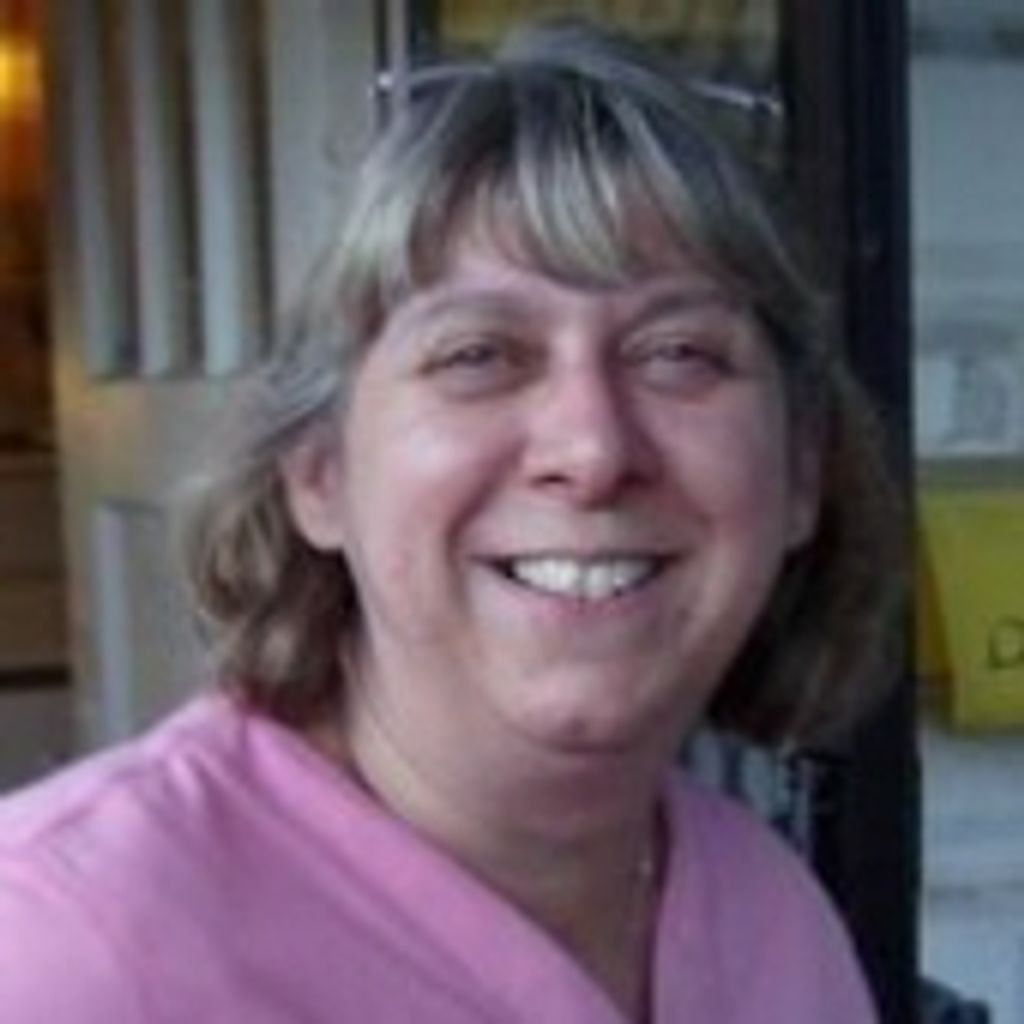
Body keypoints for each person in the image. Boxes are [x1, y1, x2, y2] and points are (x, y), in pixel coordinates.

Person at [0, 20, 901, 1023]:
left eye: (679, 353)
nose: (592, 448)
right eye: (478, 355)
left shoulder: (766, 912)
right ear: (318, 474)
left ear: (801, 472)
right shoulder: (62, 951)